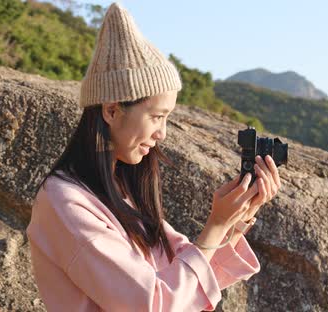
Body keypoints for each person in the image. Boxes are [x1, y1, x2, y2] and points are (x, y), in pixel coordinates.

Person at [26, 2, 281, 311]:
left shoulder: (120, 190)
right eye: (157, 117)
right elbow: (151, 303)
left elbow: (185, 280)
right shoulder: (64, 202)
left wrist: (235, 218)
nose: (162, 134)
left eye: (167, 119)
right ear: (111, 110)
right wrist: (216, 224)